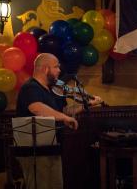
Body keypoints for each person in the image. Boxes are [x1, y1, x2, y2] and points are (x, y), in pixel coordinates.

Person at [15, 53, 102, 189]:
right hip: (35, 151)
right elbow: (37, 108)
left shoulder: (50, 91)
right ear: (45, 69)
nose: (59, 70)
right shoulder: (30, 87)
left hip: (51, 147)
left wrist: (88, 104)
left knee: (56, 185)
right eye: (56, 67)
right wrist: (65, 118)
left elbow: (62, 112)